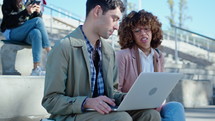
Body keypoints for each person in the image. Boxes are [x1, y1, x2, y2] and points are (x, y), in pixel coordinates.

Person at [42, 0, 161, 121]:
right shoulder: (64, 47)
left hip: (103, 113)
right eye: (114, 18)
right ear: (97, 11)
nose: (116, 26)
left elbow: (112, 93)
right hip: (71, 116)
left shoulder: (108, 51)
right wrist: (86, 102)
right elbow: (50, 100)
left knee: (150, 115)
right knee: (121, 118)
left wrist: (127, 98)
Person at [116, 9, 186, 121]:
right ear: (130, 35)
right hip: (132, 108)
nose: (143, 33)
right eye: (137, 31)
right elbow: (115, 90)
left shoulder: (159, 56)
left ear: (153, 31)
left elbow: (159, 87)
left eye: (146, 29)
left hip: (154, 105)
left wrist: (159, 100)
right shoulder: (122, 56)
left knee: (176, 107)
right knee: (153, 115)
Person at [0, 0, 51, 76]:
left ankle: (36, 69)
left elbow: (35, 23)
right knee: (38, 21)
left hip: (25, 33)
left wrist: (38, 12)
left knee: (36, 33)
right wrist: (26, 12)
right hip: (12, 32)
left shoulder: (30, 1)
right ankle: (50, 51)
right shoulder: (9, 1)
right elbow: (9, 22)